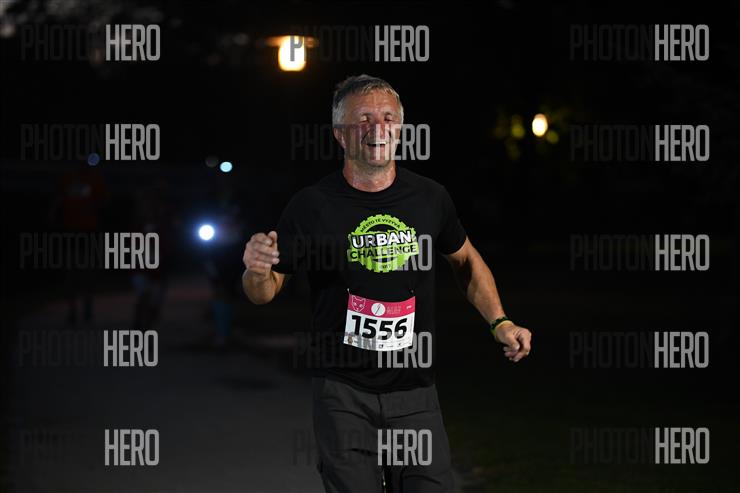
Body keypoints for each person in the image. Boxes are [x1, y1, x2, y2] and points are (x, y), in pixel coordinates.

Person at [242, 75, 532, 492]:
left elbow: (466, 260)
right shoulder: (312, 206)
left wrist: (500, 321)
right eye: (363, 118)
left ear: (400, 129)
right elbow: (264, 292)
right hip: (342, 393)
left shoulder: (430, 198)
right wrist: (256, 270)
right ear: (340, 134)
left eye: (388, 117)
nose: (378, 128)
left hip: (415, 393)